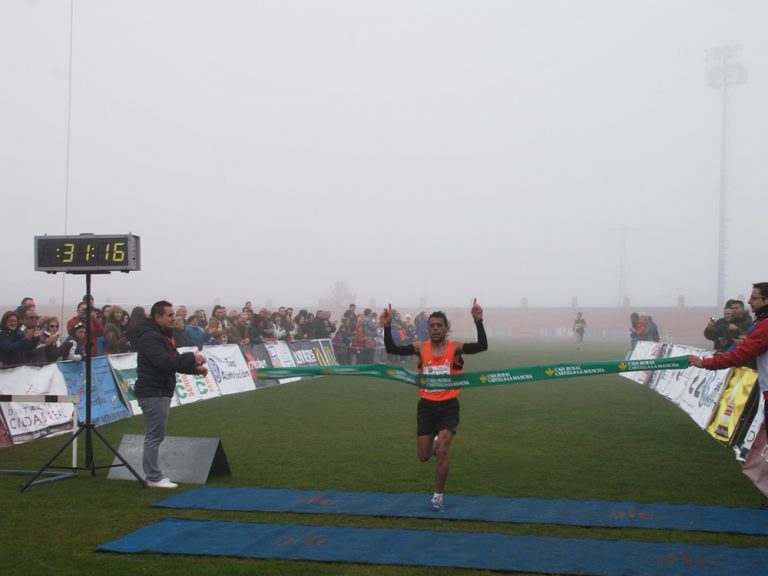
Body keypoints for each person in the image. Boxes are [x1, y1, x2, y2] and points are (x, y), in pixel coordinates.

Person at [381, 298, 487, 512]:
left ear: (446, 328)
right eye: (432, 325)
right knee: (423, 456)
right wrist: (387, 326)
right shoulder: (420, 348)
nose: (436, 328)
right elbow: (392, 348)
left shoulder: (455, 347)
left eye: (440, 325)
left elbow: (482, 346)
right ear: (427, 328)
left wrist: (478, 321)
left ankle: (438, 496)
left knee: (444, 451)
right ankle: (437, 438)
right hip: (426, 407)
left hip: (448, 406)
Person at [134, 301, 208, 488]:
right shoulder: (151, 338)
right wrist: (192, 358)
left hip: (159, 390)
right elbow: (164, 362)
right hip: (153, 391)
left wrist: (195, 369)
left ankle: (153, 475)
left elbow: (173, 363)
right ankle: (154, 477)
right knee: (154, 436)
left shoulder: (162, 335)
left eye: (174, 314)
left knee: (155, 435)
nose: (174, 318)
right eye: (169, 315)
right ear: (157, 318)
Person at [689, 283, 768, 442]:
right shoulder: (761, 322)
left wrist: (706, 363)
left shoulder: (765, 324)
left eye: (754, 297)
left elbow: (741, 354)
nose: (749, 301)